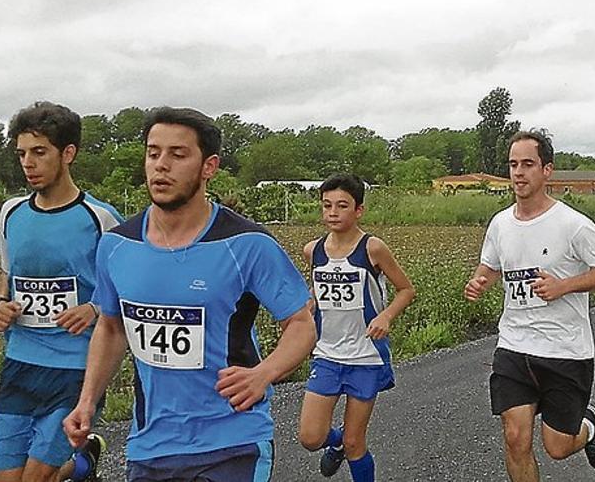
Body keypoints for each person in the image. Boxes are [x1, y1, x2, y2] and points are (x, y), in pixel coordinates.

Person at [62, 107, 316, 481]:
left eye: (178, 155)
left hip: (233, 439)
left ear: (208, 166)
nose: (161, 166)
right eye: (153, 153)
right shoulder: (116, 245)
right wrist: (86, 402)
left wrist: (264, 373)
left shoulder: (246, 243)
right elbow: (112, 328)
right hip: (151, 444)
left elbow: (300, 322)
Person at [464, 130, 595, 481]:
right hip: (514, 344)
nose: (518, 173)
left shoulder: (572, 224)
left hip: (565, 349)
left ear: (547, 170)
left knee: (557, 447)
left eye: (527, 164)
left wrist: (564, 285)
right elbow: (490, 266)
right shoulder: (500, 224)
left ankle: (588, 429)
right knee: (515, 437)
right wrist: (479, 281)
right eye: (512, 165)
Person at [0, 102, 121, 482]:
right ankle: (83, 465)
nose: (28, 163)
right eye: (21, 154)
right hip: (20, 360)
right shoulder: (11, 212)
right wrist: (0, 304)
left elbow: (130, 286)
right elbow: (6, 273)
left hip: (74, 365)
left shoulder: (100, 219)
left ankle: (83, 460)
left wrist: (95, 308)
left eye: (39, 152)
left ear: (68, 154)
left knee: (36, 478)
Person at [297, 174, 415, 482]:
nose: (333, 213)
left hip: (365, 356)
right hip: (327, 354)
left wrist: (386, 316)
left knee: (355, 442)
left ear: (358, 210)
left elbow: (406, 290)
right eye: (327, 206)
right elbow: (316, 291)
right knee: (310, 437)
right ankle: (332, 441)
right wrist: (309, 303)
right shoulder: (313, 251)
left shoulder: (372, 248)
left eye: (342, 206)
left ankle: (346, 447)